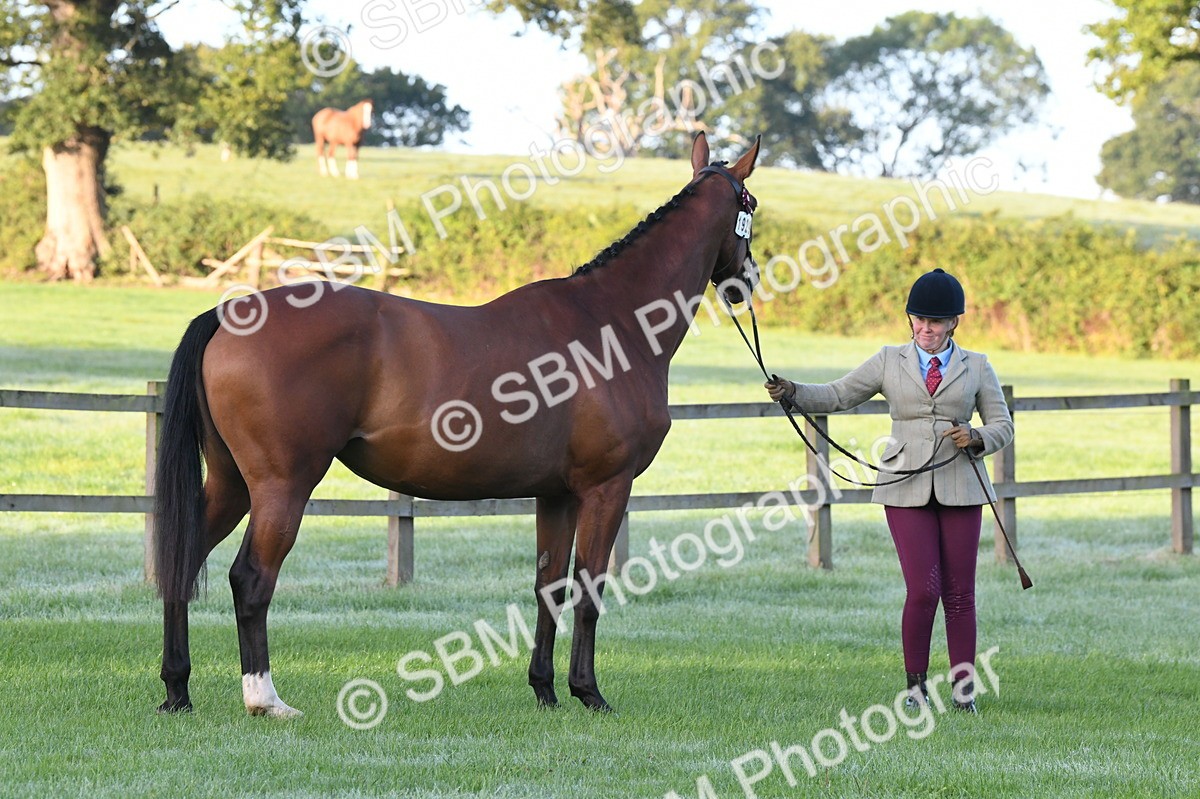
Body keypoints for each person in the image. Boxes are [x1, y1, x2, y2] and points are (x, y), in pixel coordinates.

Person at [765, 268, 1013, 713]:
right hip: (904, 487)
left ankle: (963, 693)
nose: (925, 329)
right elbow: (839, 394)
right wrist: (793, 392)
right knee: (922, 590)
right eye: (918, 320)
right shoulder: (887, 359)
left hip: (962, 486)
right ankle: (915, 688)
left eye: (934, 322)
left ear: (954, 322)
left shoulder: (977, 365)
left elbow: (1003, 425)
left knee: (961, 594)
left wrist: (977, 438)